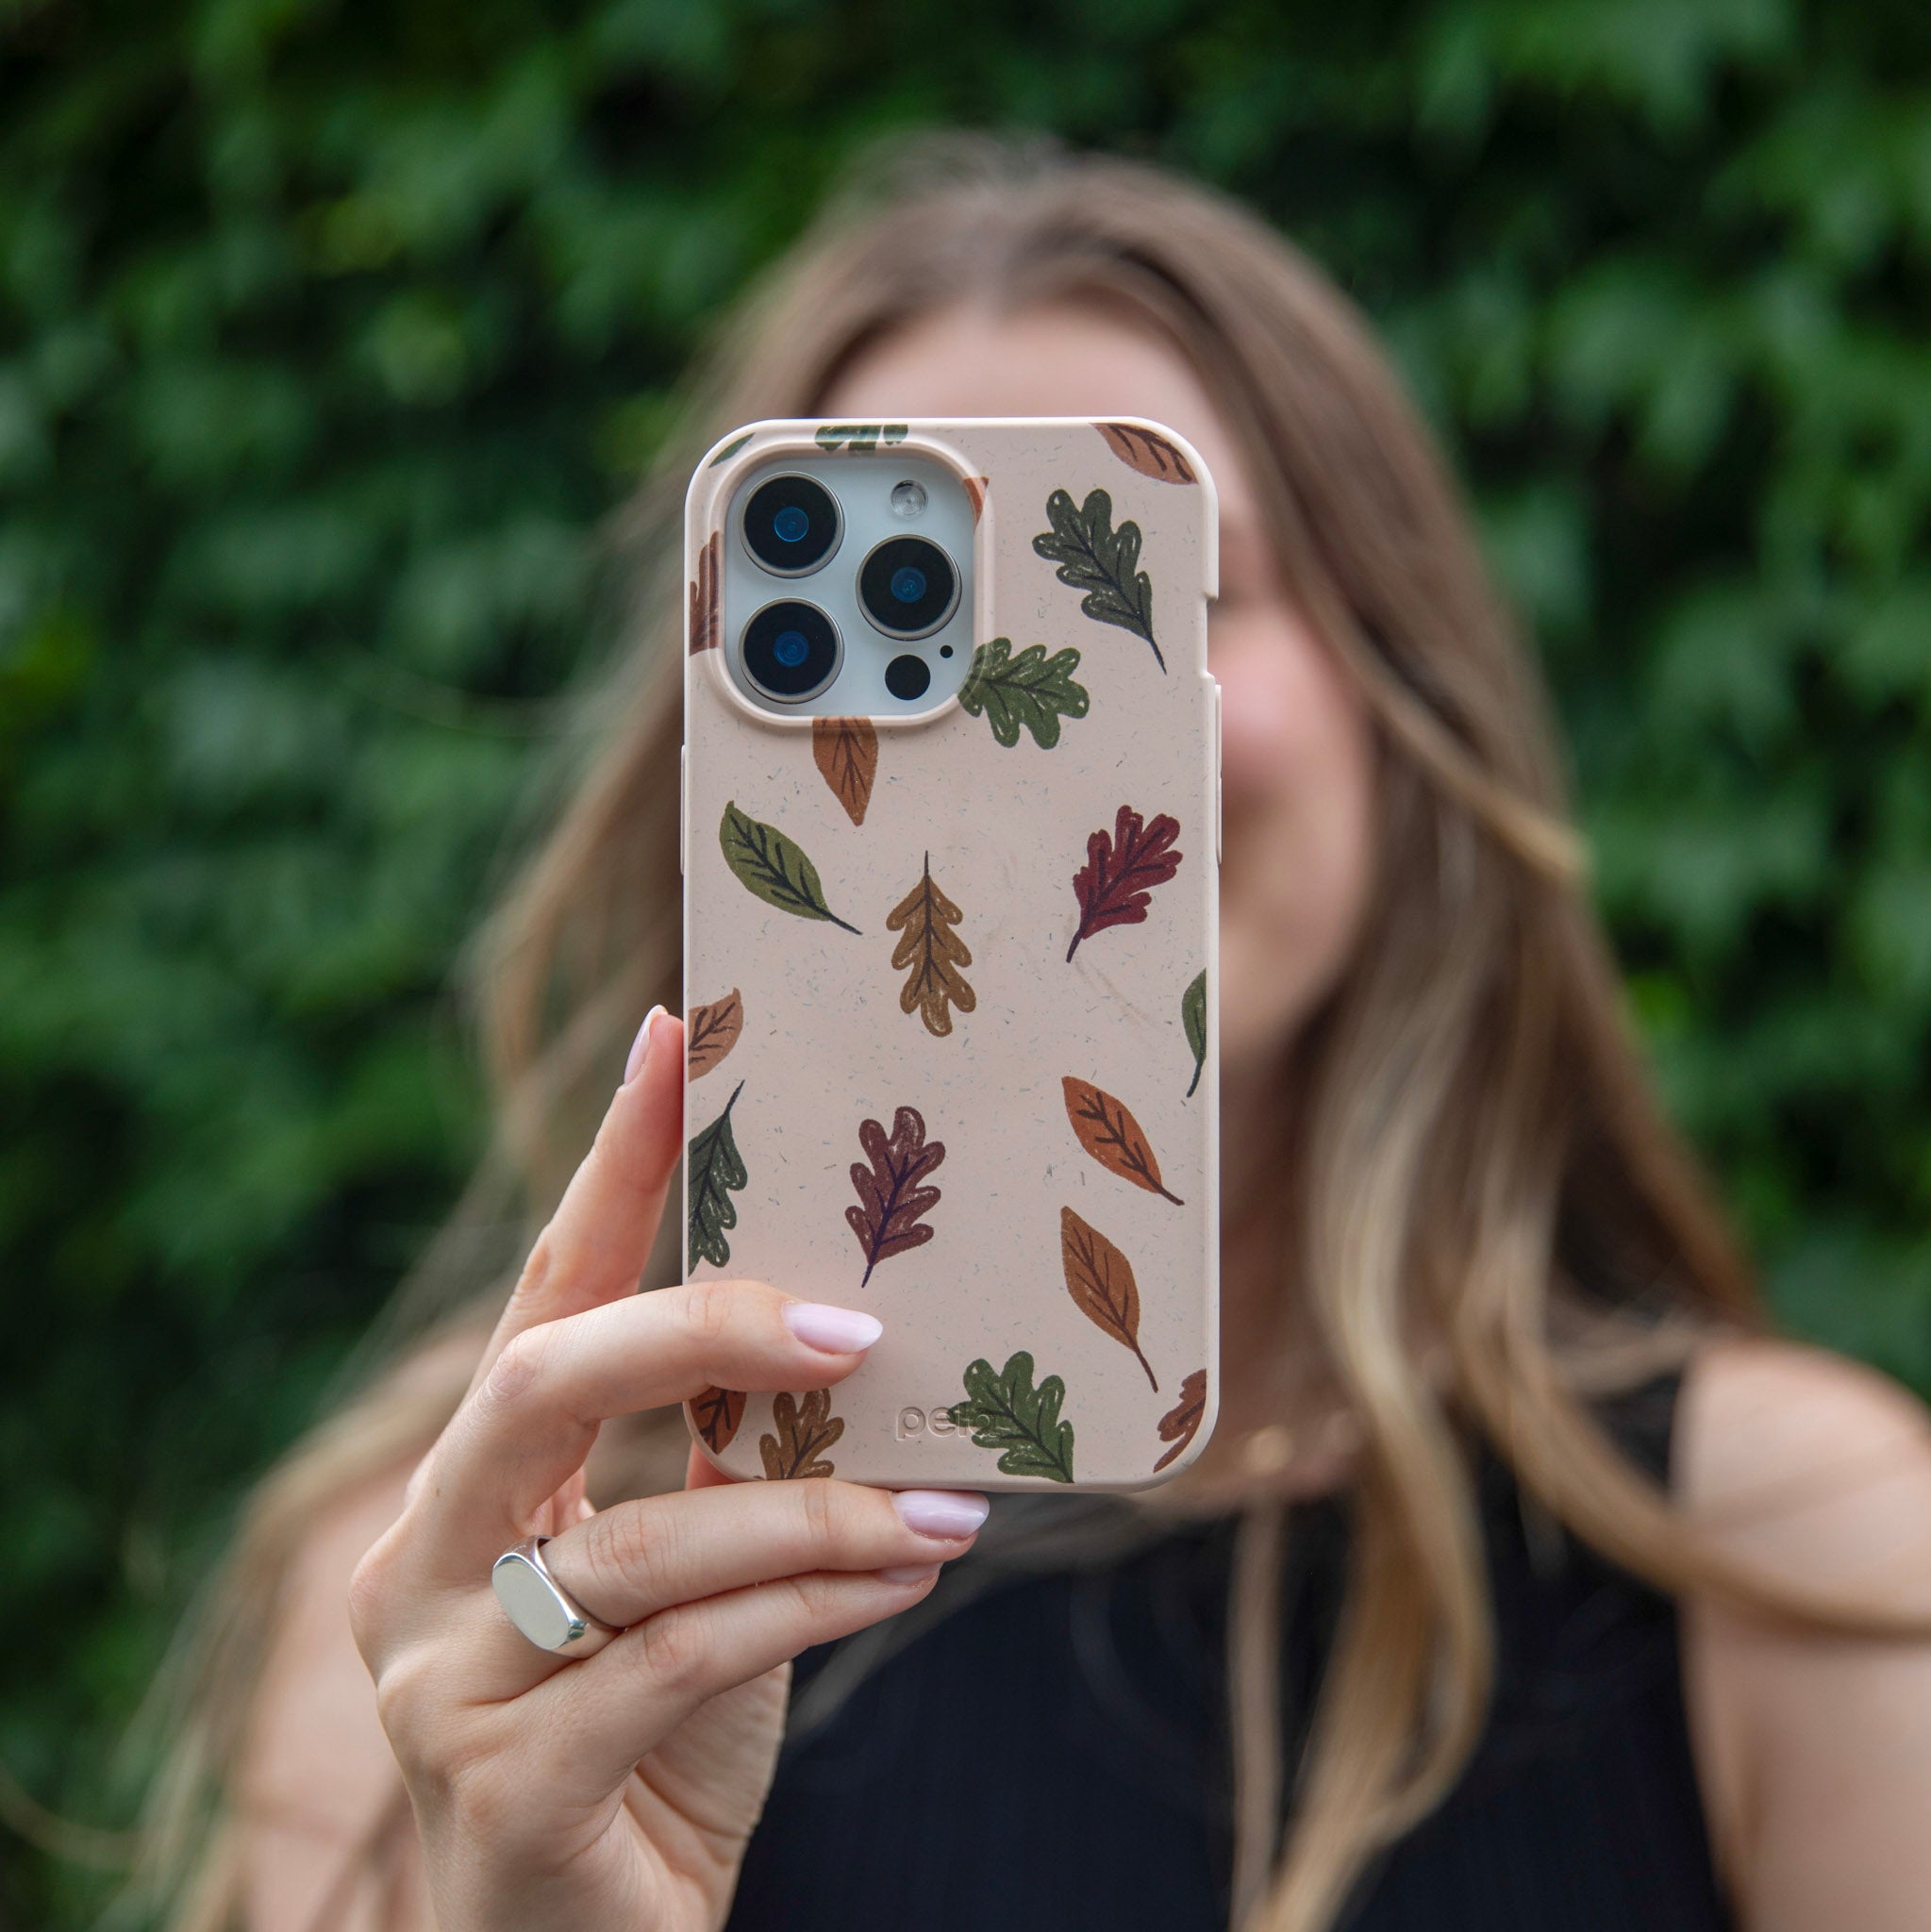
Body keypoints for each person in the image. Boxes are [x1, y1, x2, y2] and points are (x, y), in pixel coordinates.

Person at [115, 129, 1931, 1932]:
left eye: (1144, 577)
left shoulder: (1782, 1557)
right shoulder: (467, 1598)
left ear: (1403, 692)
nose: (1018, 751)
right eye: (890, 644)